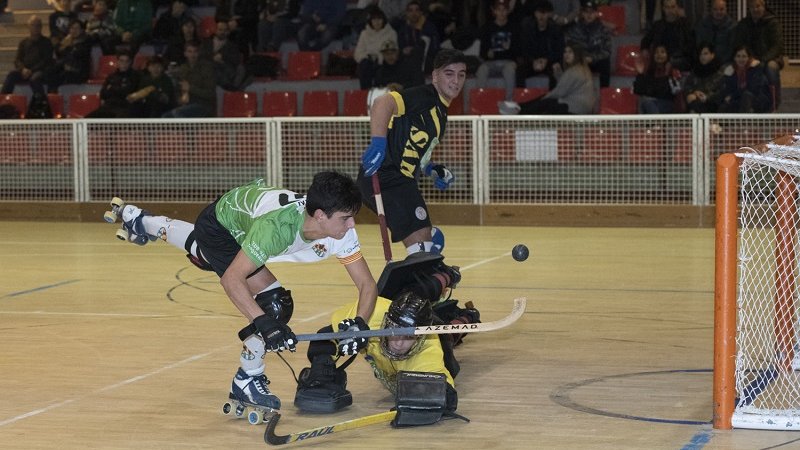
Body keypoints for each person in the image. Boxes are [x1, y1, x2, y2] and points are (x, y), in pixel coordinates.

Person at [110, 171, 378, 415]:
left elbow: (367, 285)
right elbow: (232, 280)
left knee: (206, 255)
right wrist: (262, 322)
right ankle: (247, 379)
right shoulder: (276, 229)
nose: (352, 225)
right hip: (221, 228)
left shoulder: (339, 231)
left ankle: (142, 221)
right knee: (274, 306)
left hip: (244, 216)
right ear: (319, 215)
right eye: (345, 218)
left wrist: (359, 324)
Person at [294, 253, 480, 422]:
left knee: (448, 335)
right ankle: (446, 275)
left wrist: (437, 398)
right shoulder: (373, 314)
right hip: (401, 312)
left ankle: (468, 315)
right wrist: (323, 364)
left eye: (408, 337)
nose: (398, 342)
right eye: (394, 331)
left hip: (436, 334)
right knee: (410, 294)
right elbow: (326, 335)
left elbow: (445, 391)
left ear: (419, 339)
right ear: (386, 322)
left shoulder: (428, 349)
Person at [358, 48, 467, 257]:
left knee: (429, 242)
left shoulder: (440, 113)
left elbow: (419, 154)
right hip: (386, 177)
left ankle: (423, 274)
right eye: (449, 74)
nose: (456, 81)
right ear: (435, 76)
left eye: (461, 75)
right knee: (425, 243)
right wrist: (378, 143)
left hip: (402, 182)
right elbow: (383, 103)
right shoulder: (425, 96)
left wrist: (432, 169)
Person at [499, 42, 595, 115]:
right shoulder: (582, 69)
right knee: (545, 101)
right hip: (580, 107)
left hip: (574, 108)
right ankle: (518, 107)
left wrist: (544, 98)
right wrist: (558, 74)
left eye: (570, 52)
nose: (566, 54)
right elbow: (566, 86)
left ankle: (517, 109)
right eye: (565, 52)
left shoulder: (574, 71)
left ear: (577, 54)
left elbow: (559, 92)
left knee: (546, 102)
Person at [732, 0, 783, 108]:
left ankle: (774, 102)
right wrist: (748, 59)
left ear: (763, 7)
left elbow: (777, 46)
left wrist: (762, 60)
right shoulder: (744, 24)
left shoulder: (773, 23)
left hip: (770, 58)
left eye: (758, 6)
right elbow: (739, 43)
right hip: (749, 58)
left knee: (771, 68)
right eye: (752, 7)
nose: (755, 9)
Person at [475, 0, 519, 101]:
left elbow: (518, 50)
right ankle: (480, 101)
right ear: (494, 11)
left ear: (508, 11)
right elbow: (482, 52)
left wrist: (514, 60)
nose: (501, 13)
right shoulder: (487, 28)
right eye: (499, 10)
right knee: (482, 69)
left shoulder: (514, 28)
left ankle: (509, 102)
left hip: (508, 62)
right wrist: (487, 54)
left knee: (510, 70)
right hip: (491, 62)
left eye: (504, 10)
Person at [516, 0, 564, 89]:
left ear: (549, 14)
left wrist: (547, 60)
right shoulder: (528, 28)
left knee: (556, 70)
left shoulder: (556, 29)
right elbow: (524, 49)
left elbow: (559, 50)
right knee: (519, 72)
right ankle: (522, 97)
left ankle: (553, 97)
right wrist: (533, 61)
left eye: (544, 13)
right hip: (532, 62)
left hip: (550, 62)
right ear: (535, 13)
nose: (541, 16)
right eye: (539, 12)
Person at [162, 41, 217, 118]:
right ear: (185, 53)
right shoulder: (182, 68)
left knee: (178, 113)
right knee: (165, 117)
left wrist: (190, 88)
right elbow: (178, 90)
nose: (192, 54)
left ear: (199, 53)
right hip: (187, 105)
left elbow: (210, 93)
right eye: (190, 51)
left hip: (204, 105)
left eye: (195, 51)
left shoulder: (207, 67)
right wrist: (180, 100)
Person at [1, 16, 53, 96]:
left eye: (38, 25)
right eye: (33, 25)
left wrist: (31, 70)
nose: (36, 28)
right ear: (29, 27)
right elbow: (17, 60)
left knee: (35, 78)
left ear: (41, 27)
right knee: (12, 75)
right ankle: (2, 99)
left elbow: (46, 60)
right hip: (25, 71)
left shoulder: (47, 42)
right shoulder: (24, 42)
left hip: (40, 71)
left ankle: (41, 101)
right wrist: (23, 69)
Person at [564, 0, 611, 88]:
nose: (589, 15)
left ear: (596, 13)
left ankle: (604, 92)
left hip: (596, 61)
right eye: (586, 12)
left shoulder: (603, 30)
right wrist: (582, 57)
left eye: (592, 12)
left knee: (605, 63)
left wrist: (592, 58)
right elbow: (570, 47)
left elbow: (607, 51)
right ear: (582, 13)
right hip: (580, 60)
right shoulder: (574, 29)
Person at [640, 0, 694, 71]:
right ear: (663, 8)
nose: (670, 10)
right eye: (667, 7)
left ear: (677, 8)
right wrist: (644, 49)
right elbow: (645, 40)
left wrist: (673, 61)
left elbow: (690, 46)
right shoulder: (657, 25)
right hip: (660, 60)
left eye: (673, 7)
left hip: (680, 60)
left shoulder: (685, 25)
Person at [718, 44, 772, 114]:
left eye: (744, 56)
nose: (741, 59)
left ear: (748, 57)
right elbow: (728, 89)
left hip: (758, 99)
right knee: (724, 106)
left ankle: (745, 120)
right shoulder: (731, 70)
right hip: (738, 99)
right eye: (738, 56)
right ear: (734, 58)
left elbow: (752, 88)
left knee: (746, 96)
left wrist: (732, 96)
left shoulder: (756, 68)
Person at [354, 6, 398, 90]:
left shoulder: (391, 33)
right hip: (368, 63)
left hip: (384, 63)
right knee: (364, 65)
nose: (377, 22)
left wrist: (378, 58)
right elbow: (358, 53)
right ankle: (365, 92)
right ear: (370, 21)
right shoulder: (364, 33)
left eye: (379, 19)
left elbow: (393, 52)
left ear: (383, 20)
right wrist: (369, 57)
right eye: (374, 19)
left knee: (380, 70)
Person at [86, 51, 141, 118]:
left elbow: (128, 92)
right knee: (87, 119)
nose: (124, 63)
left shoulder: (135, 76)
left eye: (127, 61)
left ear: (130, 62)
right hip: (109, 106)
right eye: (121, 61)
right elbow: (102, 93)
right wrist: (119, 89)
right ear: (117, 62)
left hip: (125, 107)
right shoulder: (111, 76)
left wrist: (112, 88)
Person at [44, 19, 92, 93]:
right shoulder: (68, 40)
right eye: (72, 28)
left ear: (82, 30)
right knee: (49, 71)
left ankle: (54, 94)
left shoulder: (85, 40)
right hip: (67, 68)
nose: (74, 31)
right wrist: (62, 45)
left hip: (79, 71)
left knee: (59, 77)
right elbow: (59, 54)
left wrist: (69, 47)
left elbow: (78, 54)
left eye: (77, 28)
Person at [633, 44, 681, 114]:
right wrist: (641, 75)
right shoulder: (648, 70)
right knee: (643, 101)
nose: (659, 55)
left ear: (667, 55)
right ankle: (656, 121)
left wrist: (665, 77)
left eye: (662, 52)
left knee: (647, 102)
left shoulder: (673, 71)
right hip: (649, 102)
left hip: (667, 103)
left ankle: (656, 120)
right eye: (656, 52)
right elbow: (638, 90)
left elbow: (674, 92)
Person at [683, 43, 723, 113]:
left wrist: (706, 96)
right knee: (691, 98)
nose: (702, 56)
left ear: (712, 55)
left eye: (705, 54)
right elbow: (687, 86)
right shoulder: (695, 70)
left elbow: (721, 91)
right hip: (697, 100)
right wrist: (694, 92)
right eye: (700, 54)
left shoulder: (720, 71)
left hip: (713, 103)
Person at [693, 0, 734, 65]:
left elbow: (732, 49)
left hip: (725, 63)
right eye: (715, 9)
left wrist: (719, 62)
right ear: (711, 10)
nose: (718, 12)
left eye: (721, 9)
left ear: (726, 9)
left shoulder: (732, 27)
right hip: (705, 61)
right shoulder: (702, 25)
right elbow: (699, 45)